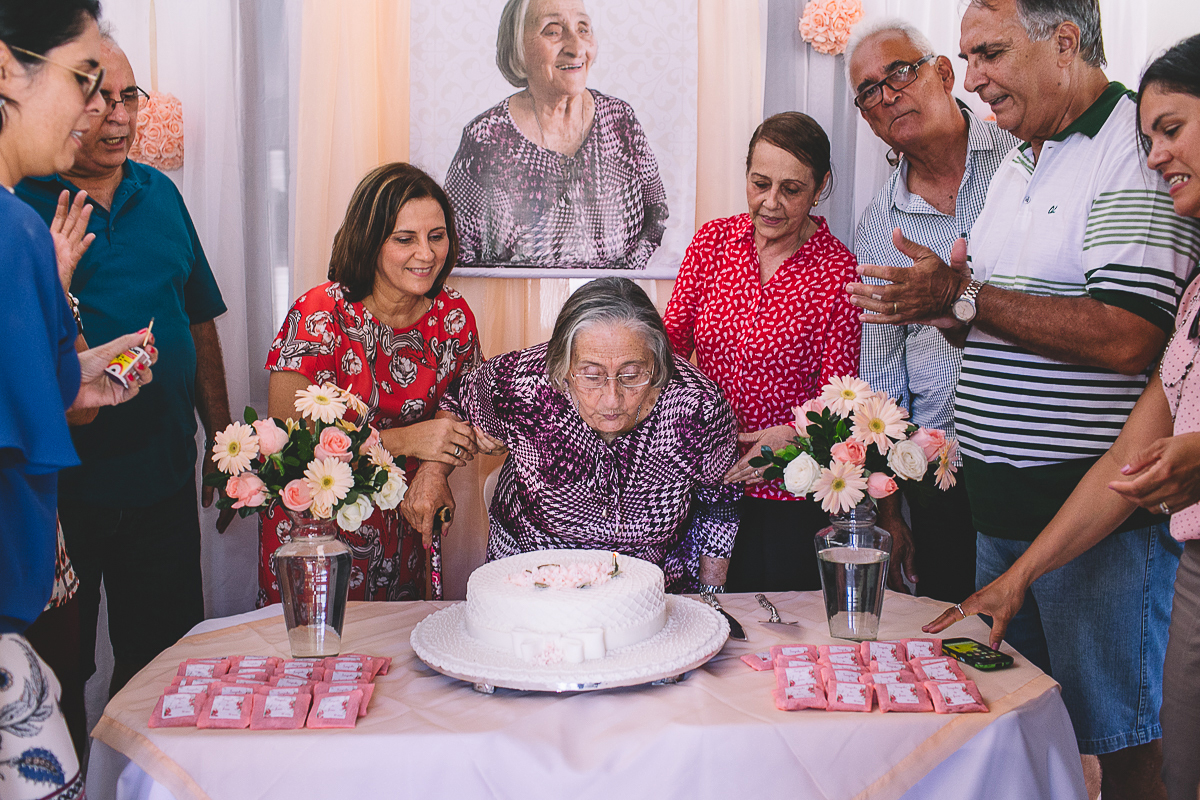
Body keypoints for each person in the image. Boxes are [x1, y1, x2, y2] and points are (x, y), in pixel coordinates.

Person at [845, 1, 1200, 795]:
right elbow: (1006, 320)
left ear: (1064, 43)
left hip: (1096, 519)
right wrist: (954, 311)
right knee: (1026, 726)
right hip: (1001, 515)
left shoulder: (1128, 150)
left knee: (1123, 738)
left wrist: (969, 298)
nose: (973, 78)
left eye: (989, 54)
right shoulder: (1020, 160)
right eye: (967, 57)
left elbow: (1128, 336)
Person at [17, 34, 233, 701]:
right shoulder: (21, 200)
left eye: (128, 96)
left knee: (164, 665)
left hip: (161, 482)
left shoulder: (160, 195)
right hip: (62, 494)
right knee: (59, 675)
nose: (117, 115)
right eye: (98, 96)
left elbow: (197, 319)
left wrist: (220, 441)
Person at [0, 1, 159, 796]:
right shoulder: (15, 232)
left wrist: (76, 376)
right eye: (84, 81)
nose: (98, 110)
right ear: (6, 69)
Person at [402, 277, 740, 592]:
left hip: (651, 583)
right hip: (531, 573)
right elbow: (456, 401)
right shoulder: (523, 383)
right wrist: (433, 472)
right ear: (563, 365)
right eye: (591, 375)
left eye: (632, 374)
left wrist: (711, 596)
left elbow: (720, 506)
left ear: (658, 363)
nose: (612, 399)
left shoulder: (698, 405)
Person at [845, 18, 1020, 602]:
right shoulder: (877, 226)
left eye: (899, 72)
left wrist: (960, 298)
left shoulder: (1023, 159)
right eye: (869, 91)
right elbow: (880, 382)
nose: (888, 94)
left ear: (944, 73)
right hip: (942, 474)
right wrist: (890, 514)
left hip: (1036, 450)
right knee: (961, 651)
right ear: (868, 121)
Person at [263, 162, 482, 604]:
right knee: (318, 665)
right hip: (316, 533)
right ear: (370, 240)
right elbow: (285, 447)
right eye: (405, 239)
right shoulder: (319, 314)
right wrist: (407, 441)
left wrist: (436, 470)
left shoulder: (453, 317)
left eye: (436, 236)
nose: (426, 253)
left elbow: (463, 410)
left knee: (395, 665)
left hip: (406, 528)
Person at [662, 112, 861, 592]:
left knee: (779, 633)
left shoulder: (839, 272)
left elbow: (841, 397)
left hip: (791, 489)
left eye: (791, 189)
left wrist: (792, 435)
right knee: (703, 621)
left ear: (820, 187)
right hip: (706, 478)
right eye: (760, 183)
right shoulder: (713, 243)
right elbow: (668, 346)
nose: (771, 203)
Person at [443, 0, 669, 269]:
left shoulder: (620, 120)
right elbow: (454, 246)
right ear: (519, 48)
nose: (576, 48)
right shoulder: (486, 137)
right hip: (514, 305)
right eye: (553, 31)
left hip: (611, 304)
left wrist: (619, 284)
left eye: (583, 29)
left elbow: (656, 214)